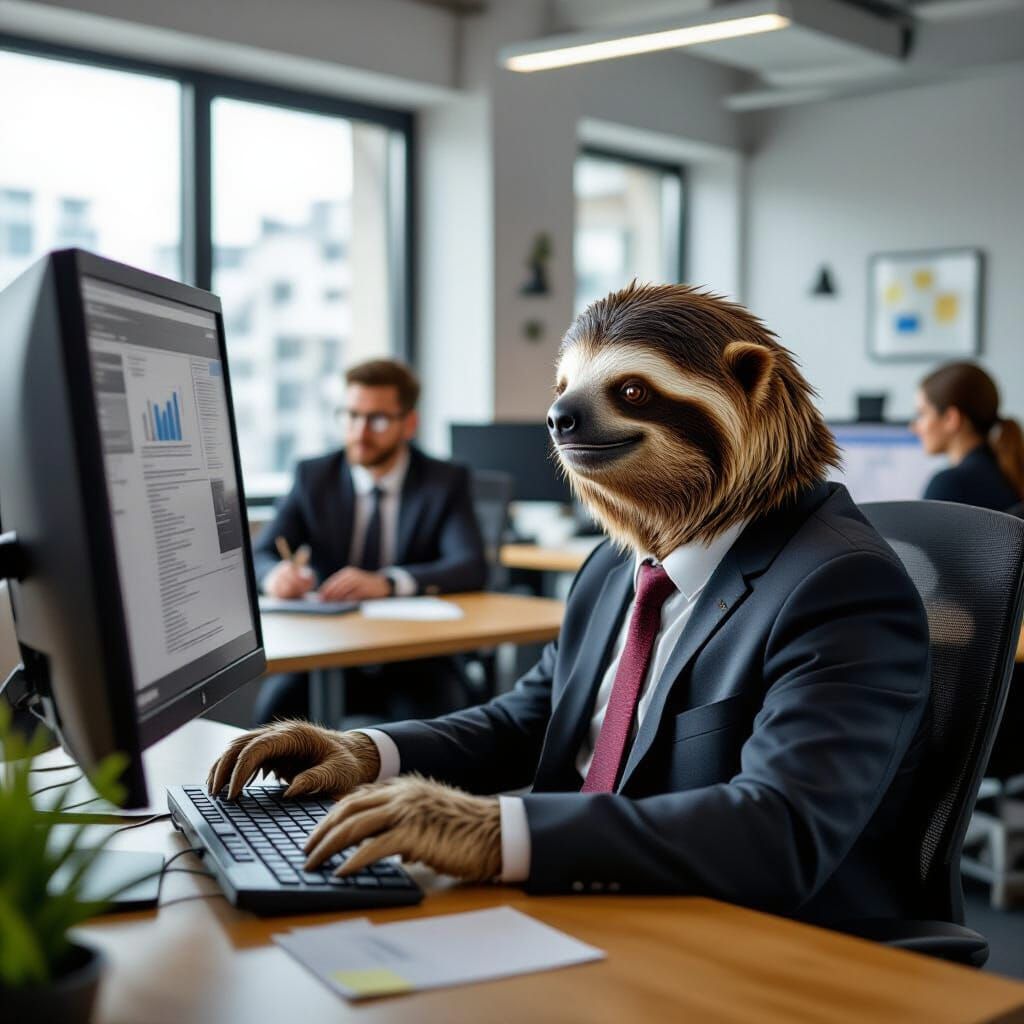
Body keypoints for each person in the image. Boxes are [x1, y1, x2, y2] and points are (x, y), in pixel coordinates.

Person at [211, 284, 931, 926]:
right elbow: (527, 721)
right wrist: (368, 753)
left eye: (633, 394)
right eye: (565, 392)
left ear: (748, 389)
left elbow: (780, 832)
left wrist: (494, 832)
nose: (564, 417)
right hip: (582, 900)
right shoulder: (615, 572)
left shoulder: (841, 585)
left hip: (745, 937)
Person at [251, 358, 487, 724]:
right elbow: (262, 552)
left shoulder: (444, 481)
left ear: (408, 423)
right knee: (272, 719)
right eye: (350, 416)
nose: (359, 432)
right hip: (329, 651)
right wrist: (275, 575)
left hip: (415, 657)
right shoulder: (314, 476)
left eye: (376, 419)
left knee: (432, 734)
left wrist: (388, 582)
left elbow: (470, 566)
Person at [911, 361, 1024, 511]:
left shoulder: (949, 484)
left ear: (951, 419)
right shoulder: (1009, 471)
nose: (914, 427)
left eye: (922, 414)